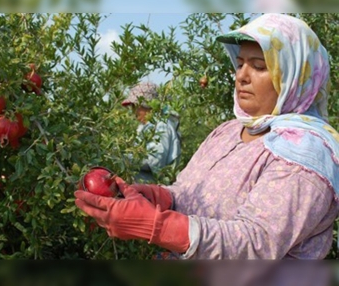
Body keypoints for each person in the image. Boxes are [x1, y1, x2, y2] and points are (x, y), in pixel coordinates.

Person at [74, 13, 339, 259]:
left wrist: (157, 225)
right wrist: (159, 197)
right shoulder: (227, 132)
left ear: (296, 77)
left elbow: (255, 244)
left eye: (259, 67)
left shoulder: (304, 155)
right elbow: (187, 192)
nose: (242, 77)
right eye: (240, 64)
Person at [121, 82, 181, 183]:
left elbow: (154, 160)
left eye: (136, 106)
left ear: (148, 106)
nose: (133, 111)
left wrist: (123, 159)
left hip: (152, 191)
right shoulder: (144, 127)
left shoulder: (161, 126)